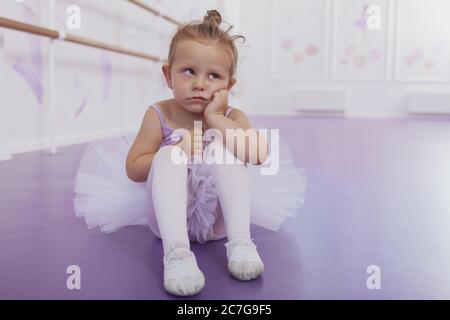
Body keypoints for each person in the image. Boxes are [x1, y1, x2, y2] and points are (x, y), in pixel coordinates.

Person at [73, 10, 307, 296]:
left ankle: (241, 243)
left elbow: (258, 155)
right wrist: (174, 150)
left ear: (229, 85)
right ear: (168, 75)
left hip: (219, 224)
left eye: (214, 76)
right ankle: (178, 255)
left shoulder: (232, 115)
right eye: (189, 71)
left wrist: (218, 120)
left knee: (227, 144)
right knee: (167, 155)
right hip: (168, 221)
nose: (200, 84)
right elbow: (133, 169)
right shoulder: (159, 114)